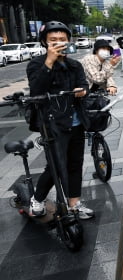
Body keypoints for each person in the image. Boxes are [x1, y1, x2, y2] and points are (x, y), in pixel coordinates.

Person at [26, 20, 94, 219]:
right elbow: (36, 91)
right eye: (53, 40)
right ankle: (37, 200)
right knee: (55, 165)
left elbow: (84, 86)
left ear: (68, 41)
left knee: (75, 163)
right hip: (52, 124)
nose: (58, 43)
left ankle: (74, 204)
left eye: (62, 39)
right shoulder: (36, 64)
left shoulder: (74, 65)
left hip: (76, 123)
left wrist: (82, 92)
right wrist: (49, 62)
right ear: (45, 43)